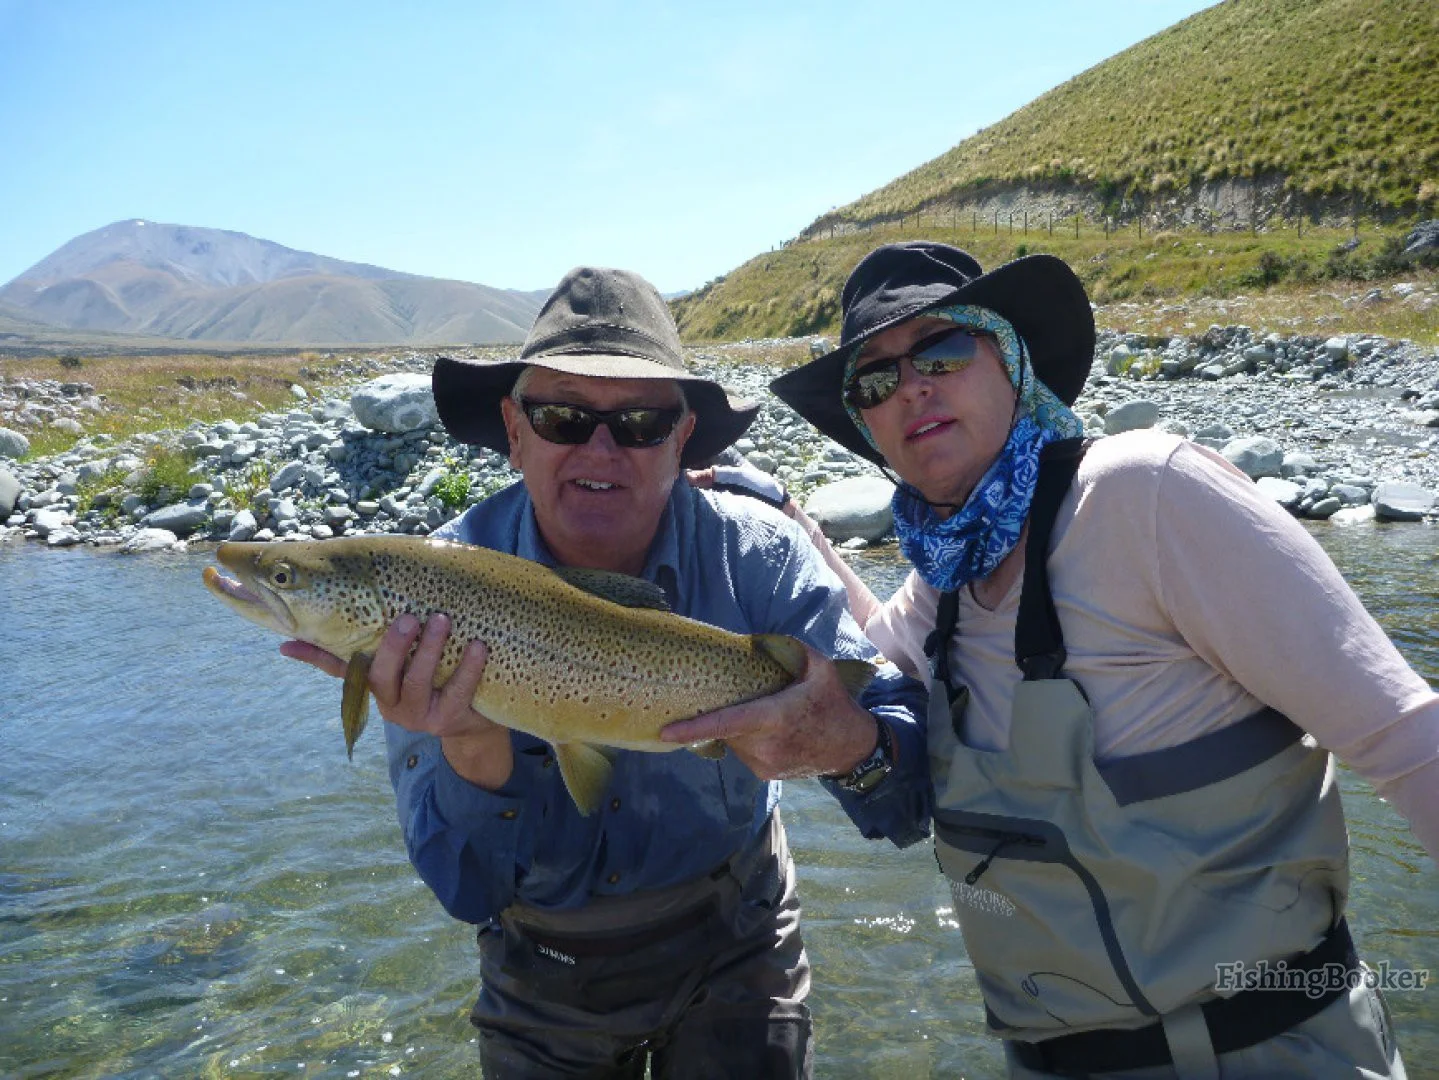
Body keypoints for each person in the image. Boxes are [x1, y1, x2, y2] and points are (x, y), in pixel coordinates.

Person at [664, 241, 1439, 1078]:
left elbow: (1405, 740)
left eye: (943, 350)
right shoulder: (946, 582)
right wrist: (795, 527)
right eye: (875, 381)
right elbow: (871, 664)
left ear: (1011, 358)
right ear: (867, 426)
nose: (912, 385)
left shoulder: (1143, 495)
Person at [281, 265, 929, 1079]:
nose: (599, 449)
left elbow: (906, 798)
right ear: (514, 430)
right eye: (561, 417)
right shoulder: (432, 591)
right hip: (542, 971)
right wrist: (474, 744)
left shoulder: (758, 556)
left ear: (682, 435)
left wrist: (849, 742)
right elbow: (469, 892)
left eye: (639, 422)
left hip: (741, 935)